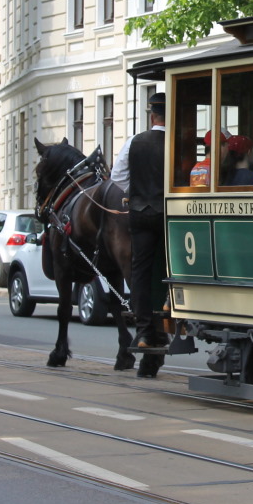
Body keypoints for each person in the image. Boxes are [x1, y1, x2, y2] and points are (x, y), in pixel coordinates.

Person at [110, 91, 167, 376]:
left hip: (141, 214)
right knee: (171, 268)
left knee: (140, 271)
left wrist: (136, 193)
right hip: (169, 216)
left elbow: (117, 177)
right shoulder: (177, 141)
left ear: (152, 115)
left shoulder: (135, 141)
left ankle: (144, 332)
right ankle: (169, 319)